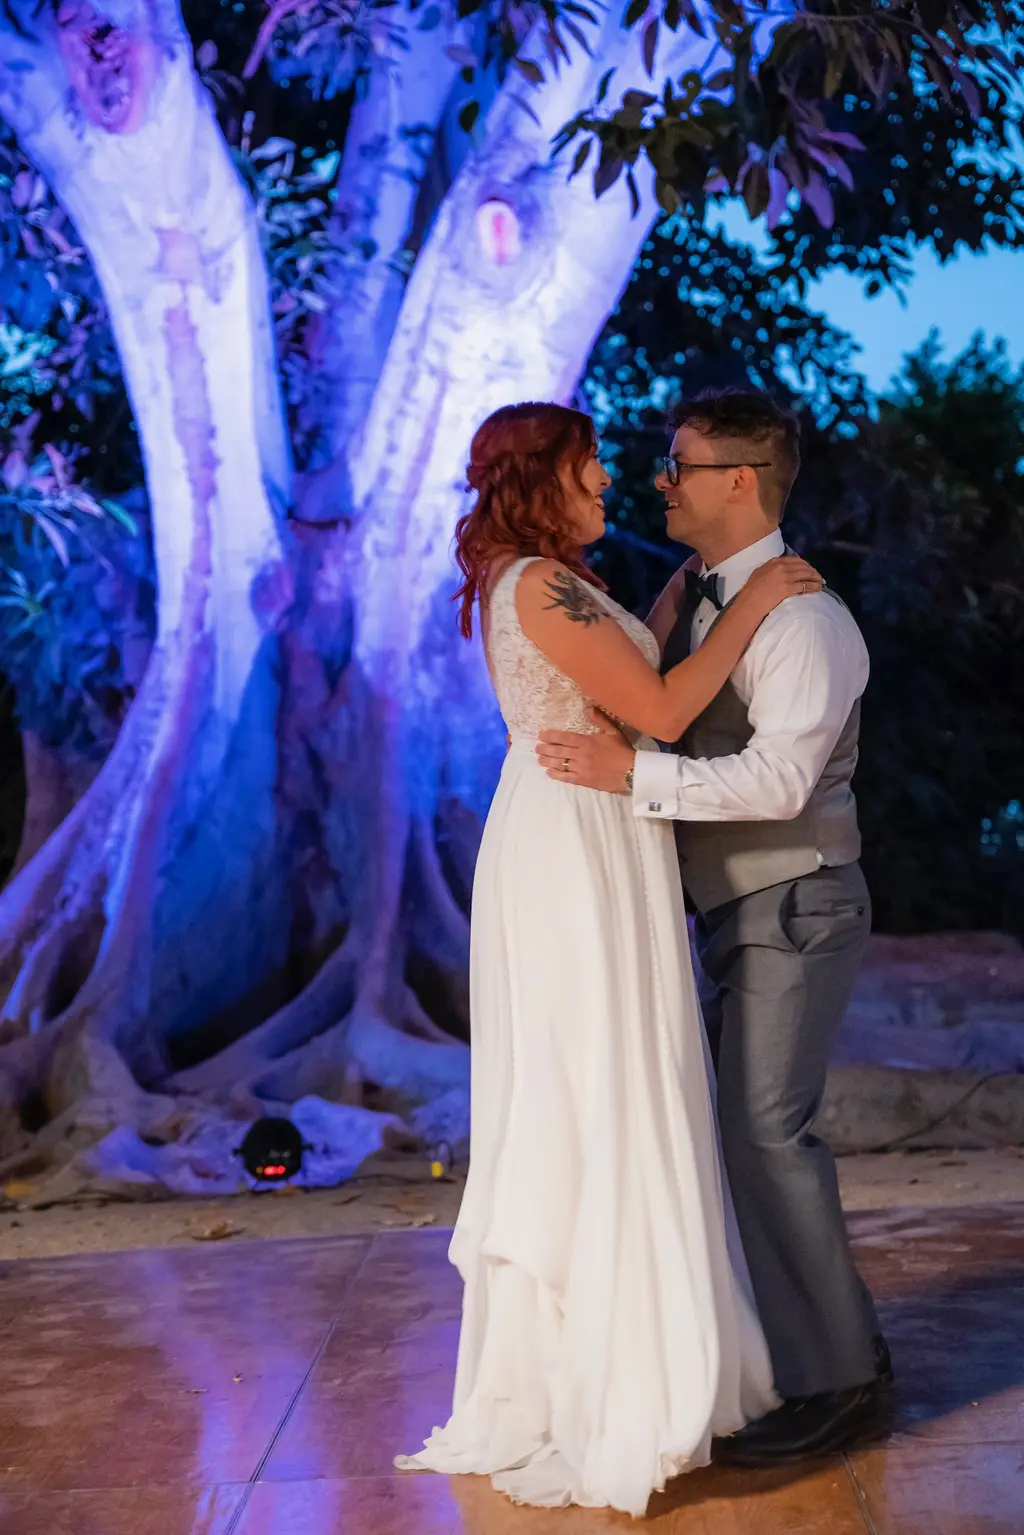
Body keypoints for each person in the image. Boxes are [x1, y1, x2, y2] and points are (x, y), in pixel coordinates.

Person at [395, 401, 825, 1515]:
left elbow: (639, 663)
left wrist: (699, 593)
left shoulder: (563, 580)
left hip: (604, 830)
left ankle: (647, 1356)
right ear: (543, 476)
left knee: (630, 1086)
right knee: (595, 1092)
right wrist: (761, 601)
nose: (610, 484)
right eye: (590, 468)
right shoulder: (533, 584)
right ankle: (597, 1381)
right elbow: (665, 710)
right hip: (569, 843)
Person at [536, 389, 893, 1467]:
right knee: (740, 1136)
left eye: (680, 464)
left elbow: (781, 778)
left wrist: (629, 774)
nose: (661, 480)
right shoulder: (701, 593)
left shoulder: (806, 621)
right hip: (739, 906)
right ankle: (801, 1360)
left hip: (796, 900)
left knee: (767, 1132)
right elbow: (651, 685)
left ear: (739, 481)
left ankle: (844, 1377)